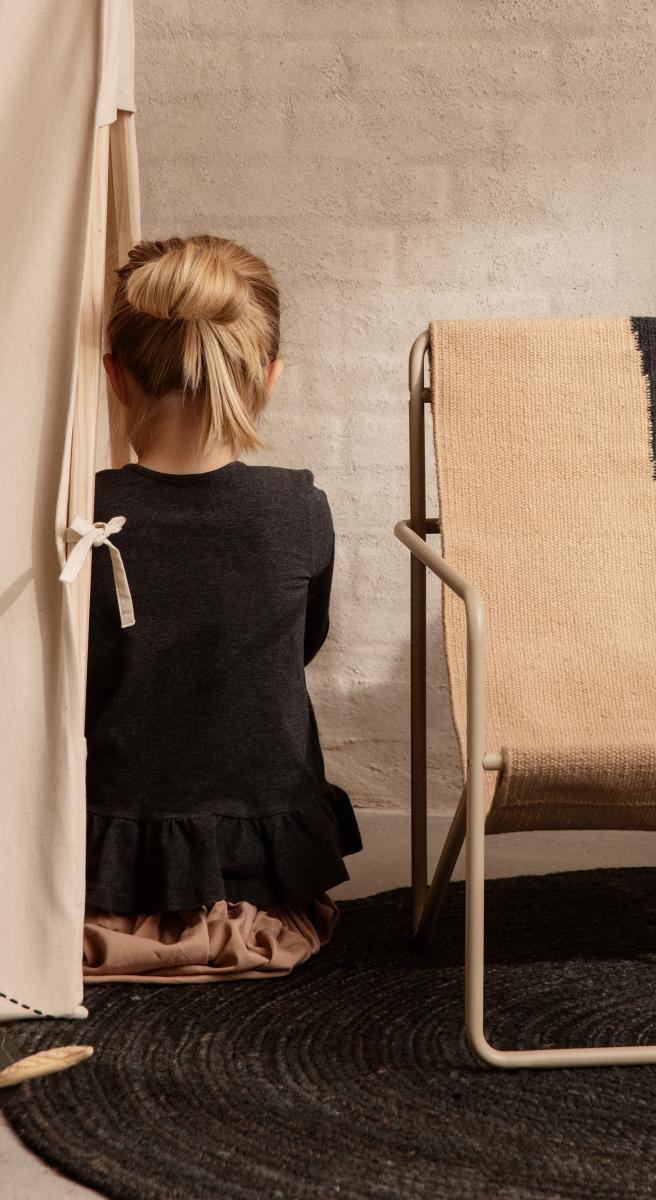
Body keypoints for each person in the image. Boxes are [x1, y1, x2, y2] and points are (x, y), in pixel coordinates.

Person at [81, 235, 361, 982]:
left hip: (104, 848)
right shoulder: (297, 509)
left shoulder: (81, 516)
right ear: (268, 376)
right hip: (256, 855)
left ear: (114, 374)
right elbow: (302, 645)